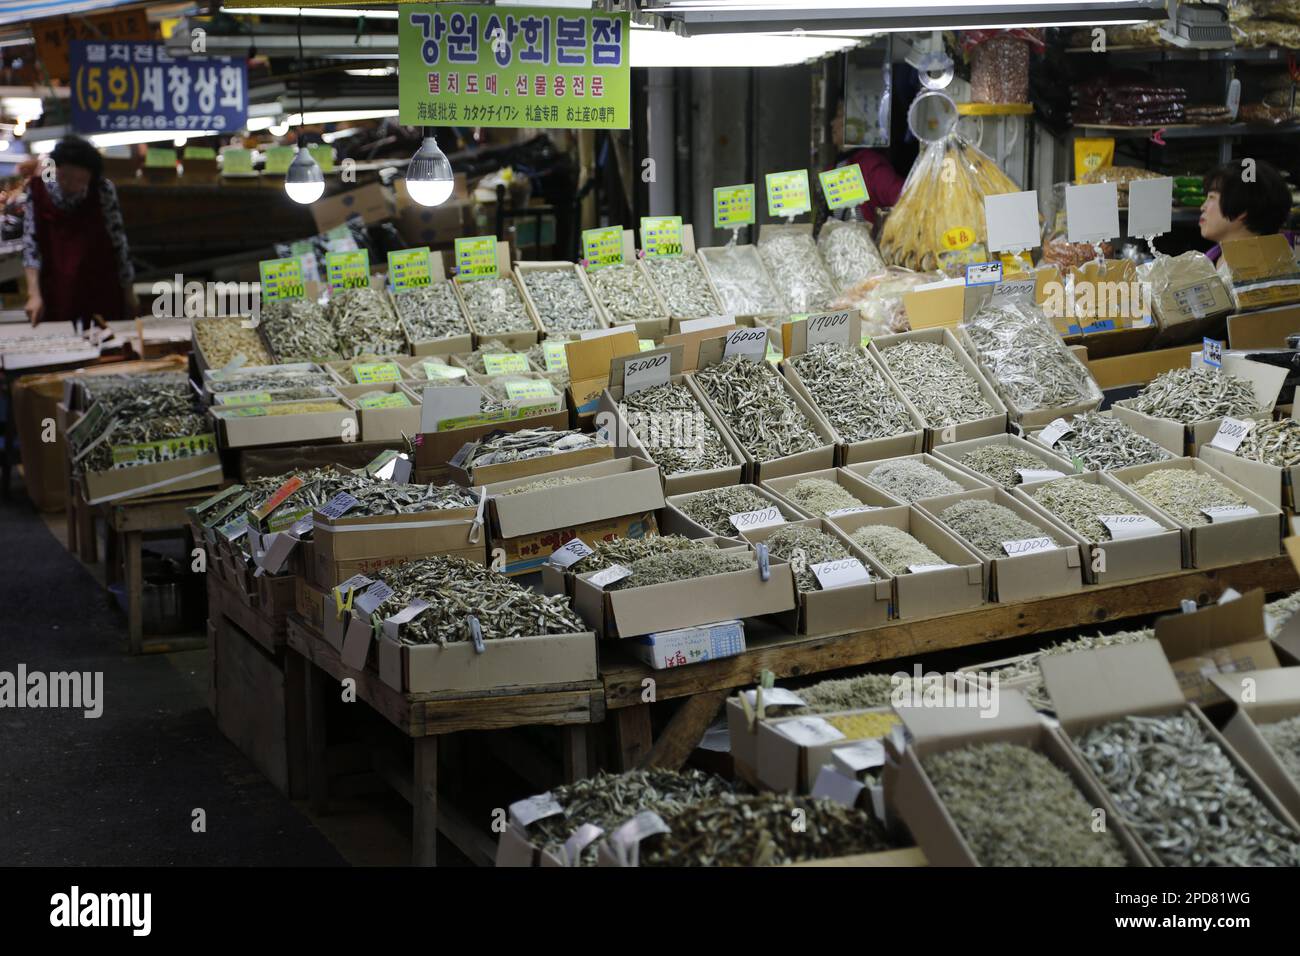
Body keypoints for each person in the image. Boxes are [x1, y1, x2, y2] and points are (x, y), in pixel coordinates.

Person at [24, 135, 137, 328]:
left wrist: (129, 292)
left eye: (80, 180)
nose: (71, 185)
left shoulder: (102, 190)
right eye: (64, 177)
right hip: (57, 288)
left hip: (100, 284)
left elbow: (119, 243)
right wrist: (34, 294)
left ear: (91, 176)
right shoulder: (37, 191)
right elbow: (31, 246)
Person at [1199, 159, 1296, 263]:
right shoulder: (1210, 260)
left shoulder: (1269, 271)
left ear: (1241, 208)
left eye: (1211, 197)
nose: (1202, 207)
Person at [828, 96, 905, 225]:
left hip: (864, 242)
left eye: (839, 115)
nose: (832, 123)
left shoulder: (871, 165)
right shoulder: (837, 164)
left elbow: (905, 199)